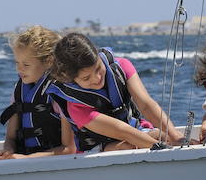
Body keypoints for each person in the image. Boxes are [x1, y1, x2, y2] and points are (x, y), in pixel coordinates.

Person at [47, 33, 184, 152]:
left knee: (163, 135)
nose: (97, 78)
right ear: (72, 79)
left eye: (98, 68)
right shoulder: (76, 107)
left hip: (134, 131)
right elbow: (122, 131)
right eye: (86, 78)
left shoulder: (122, 67)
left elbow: (146, 105)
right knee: (129, 146)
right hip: (98, 147)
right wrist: (162, 147)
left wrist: (177, 138)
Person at [0, 26, 74, 159]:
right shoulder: (19, 91)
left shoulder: (60, 93)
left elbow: (69, 149)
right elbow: (10, 138)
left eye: (26, 65)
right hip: (27, 160)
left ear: (49, 61)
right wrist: (8, 150)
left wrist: (27, 159)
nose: (19, 69)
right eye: (17, 62)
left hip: (57, 163)